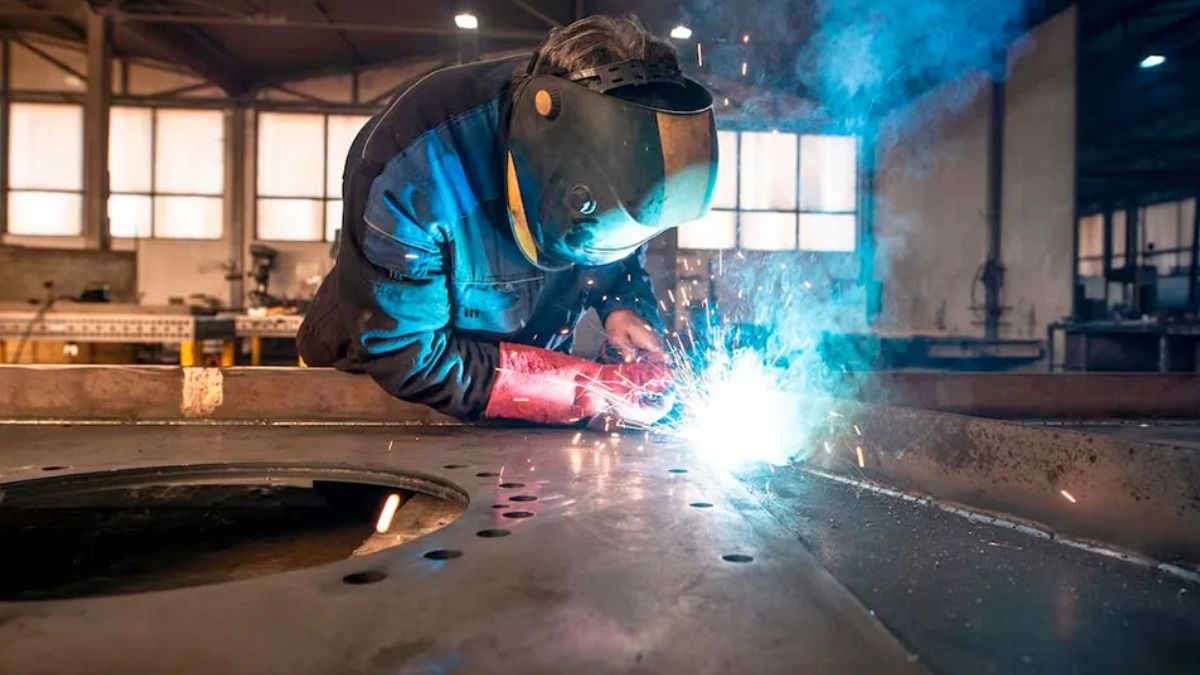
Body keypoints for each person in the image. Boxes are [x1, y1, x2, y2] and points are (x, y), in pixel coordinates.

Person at [298, 15, 717, 426]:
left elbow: (613, 254)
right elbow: (409, 353)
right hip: (378, 399)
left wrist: (624, 307)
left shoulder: (616, 158)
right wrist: (586, 389)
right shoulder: (415, 165)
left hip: (528, 395)